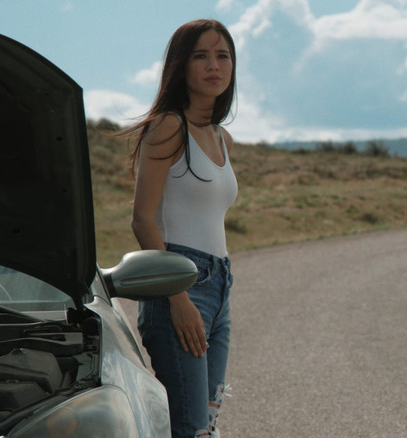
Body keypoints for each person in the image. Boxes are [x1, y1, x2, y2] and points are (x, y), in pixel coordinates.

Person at [125, 19, 238, 438]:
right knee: (187, 428)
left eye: (222, 56)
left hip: (220, 285)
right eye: (201, 56)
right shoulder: (169, 126)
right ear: (181, 65)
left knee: (205, 425)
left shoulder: (221, 137)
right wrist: (178, 296)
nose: (214, 65)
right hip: (179, 284)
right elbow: (142, 219)